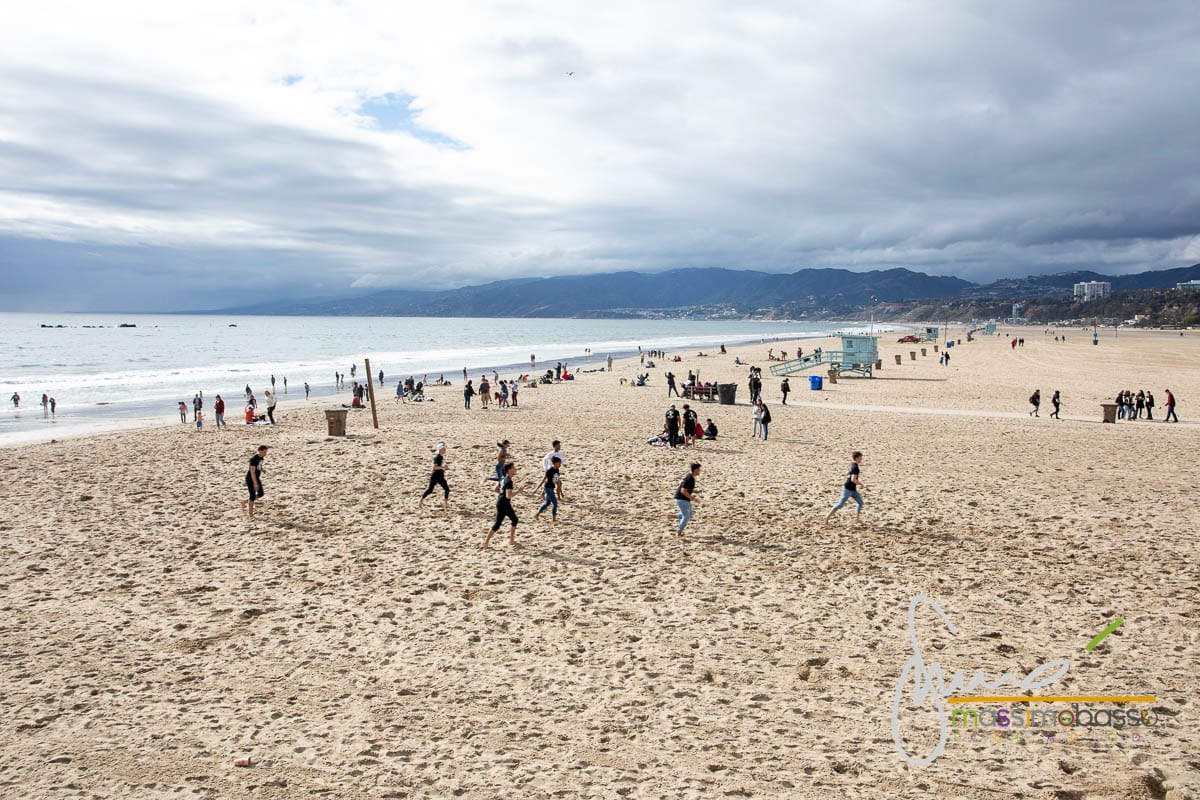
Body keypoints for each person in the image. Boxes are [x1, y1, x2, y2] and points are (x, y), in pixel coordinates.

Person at [482, 462, 520, 548]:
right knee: (498, 523)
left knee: (514, 520)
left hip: (502, 502)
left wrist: (502, 494)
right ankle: (486, 542)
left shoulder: (503, 479)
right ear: (509, 470)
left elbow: (495, 489)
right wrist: (518, 491)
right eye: (514, 468)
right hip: (504, 504)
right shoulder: (509, 481)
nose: (515, 469)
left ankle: (511, 540)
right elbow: (509, 496)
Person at [824, 451, 864, 526]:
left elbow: (848, 475)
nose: (861, 459)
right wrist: (861, 484)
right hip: (847, 489)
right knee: (840, 505)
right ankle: (826, 518)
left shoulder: (852, 465)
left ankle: (857, 519)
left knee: (860, 502)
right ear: (856, 458)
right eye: (860, 457)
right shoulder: (855, 467)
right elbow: (853, 479)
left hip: (853, 489)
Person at [534, 455, 565, 524]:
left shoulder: (556, 470)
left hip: (550, 488)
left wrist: (561, 491)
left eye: (560, 463)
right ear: (555, 463)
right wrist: (537, 488)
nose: (560, 465)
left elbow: (558, 481)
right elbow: (544, 480)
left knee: (547, 503)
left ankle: (537, 515)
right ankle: (553, 519)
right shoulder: (550, 471)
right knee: (555, 503)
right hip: (548, 489)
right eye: (559, 463)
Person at [671, 463, 700, 534]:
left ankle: (671, 516)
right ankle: (679, 531)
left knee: (689, 515)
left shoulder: (690, 477)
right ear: (695, 470)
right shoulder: (689, 479)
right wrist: (693, 498)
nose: (699, 471)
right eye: (698, 469)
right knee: (686, 516)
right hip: (681, 499)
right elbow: (683, 491)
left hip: (684, 499)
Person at [240, 445, 269, 517]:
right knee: (252, 496)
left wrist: (262, 470)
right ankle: (250, 514)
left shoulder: (261, 457)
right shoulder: (253, 459)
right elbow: (252, 472)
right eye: (264, 452)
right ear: (260, 451)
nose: (266, 453)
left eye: (266, 452)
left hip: (256, 477)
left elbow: (259, 465)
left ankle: (244, 502)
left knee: (261, 493)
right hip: (251, 478)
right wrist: (255, 483)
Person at [419, 444, 450, 509]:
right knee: (430, 490)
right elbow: (435, 467)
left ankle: (446, 503)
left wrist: (443, 469)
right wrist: (443, 467)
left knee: (447, 489)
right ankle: (420, 502)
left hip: (440, 476)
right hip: (435, 476)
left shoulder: (441, 457)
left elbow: (439, 467)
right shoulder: (437, 457)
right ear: (440, 450)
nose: (445, 450)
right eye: (444, 449)